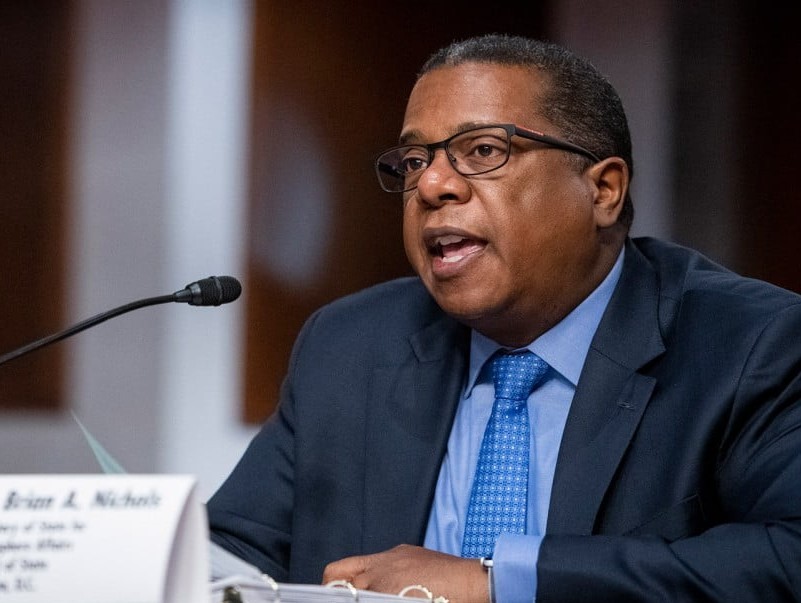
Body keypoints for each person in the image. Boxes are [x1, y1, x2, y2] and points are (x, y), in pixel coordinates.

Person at [206, 33, 801, 602]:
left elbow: (787, 559)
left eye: (483, 151)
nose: (431, 185)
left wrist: (498, 583)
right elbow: (227, 557)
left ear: (603, 190)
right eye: (413, 161)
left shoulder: (750, 344)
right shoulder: (349, 346)